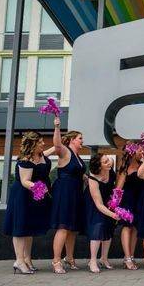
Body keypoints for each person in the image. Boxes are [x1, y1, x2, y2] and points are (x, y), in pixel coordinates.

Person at [3, 131, 54, 274]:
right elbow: (25, 182)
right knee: (20, 228)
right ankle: (19, 261)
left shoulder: (41, 155)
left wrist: (57, 128)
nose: (43, 144)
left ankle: (27, 259)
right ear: (33, 144)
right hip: (22, 196)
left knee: (29, 229)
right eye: (40, 142)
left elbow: (56, 146)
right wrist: (41, 188)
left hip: (33, 197)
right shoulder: (25, 160)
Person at [49, 116, 86, 274]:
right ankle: (56, 260)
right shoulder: (65, 151)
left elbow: (82, 175)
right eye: (80, 138)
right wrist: (57, 127)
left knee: (72, 228)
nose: (82, 141)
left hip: (76, 192)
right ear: (71, 140)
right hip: (64, 192)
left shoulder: (78, 158)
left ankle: (69, 258)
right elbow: (57, 144)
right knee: (63, 227)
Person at [84, 153, 119, 273]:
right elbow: (98, 204)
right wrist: (113, 214)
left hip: (108, 202)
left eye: (108, 160)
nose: (109, 163)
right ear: (99, 166)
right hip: (95, 204)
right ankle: (92, 261)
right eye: (105, 162)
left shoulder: (109, 168)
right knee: (97, 228)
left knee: (108, 229)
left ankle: (104, 258)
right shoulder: (93, 178)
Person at [115, 145, 144, 270]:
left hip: (139, 200)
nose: (142, 152)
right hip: (127, 200)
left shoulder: (143, 165)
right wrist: (115, 205)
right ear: (132, 153)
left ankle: (131, 256)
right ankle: (127, 257)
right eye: (140, 150)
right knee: (127, 227)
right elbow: (118, 188)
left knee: (135, 229)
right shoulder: (125, 169)